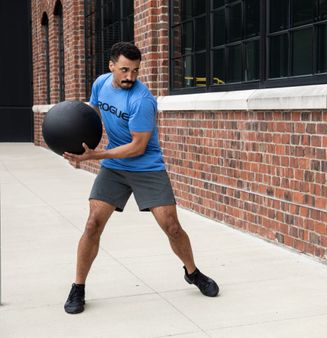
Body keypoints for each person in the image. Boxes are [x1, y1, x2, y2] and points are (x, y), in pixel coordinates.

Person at [62, 42, 219, 314]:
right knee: (92, 224)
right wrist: (79, 148)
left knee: (171, 226)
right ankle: (78, 287)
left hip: (146, 167)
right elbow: (94, 114)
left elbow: (138, 147)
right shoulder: (100, 84)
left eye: (135, 71)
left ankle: (192, 272)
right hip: (114, 166)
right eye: (124, 70)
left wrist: (94, 156)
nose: (130, 77)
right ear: (111, 66)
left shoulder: (142, 100)